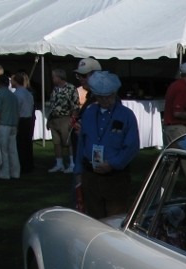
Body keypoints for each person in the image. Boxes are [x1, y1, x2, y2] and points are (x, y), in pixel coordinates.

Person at [78, 70, 140, 219]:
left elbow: (132, 146)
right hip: (91, 175)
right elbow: (82, 142)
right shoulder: (89, 112)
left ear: (115, 93)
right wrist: (79, 170)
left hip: (115, 177)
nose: (106, 100)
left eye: (109, 96)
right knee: (93, 219)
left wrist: (112, 163)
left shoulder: (126, 115)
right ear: (95, 96)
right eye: (101, 97)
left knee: (115, 219)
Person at [71, 57, 102, 211]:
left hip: (94, 165)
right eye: (80, 76)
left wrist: (84, 130)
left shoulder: (103, 100)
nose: (81, 79)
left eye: (85, 75)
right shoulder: (90, 98)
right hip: (83, 160)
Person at [45, 68, 79, 173]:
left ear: (59, 77)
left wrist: (73, 120)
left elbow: (75, 105)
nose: (53, 79)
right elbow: (52, 105)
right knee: (56, 143)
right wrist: (49, 120)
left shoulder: (71, 88)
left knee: (68, 142)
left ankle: (72, 163)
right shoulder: (55, 89)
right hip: (54, 118)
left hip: (66, 118)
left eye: (54, 77)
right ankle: (59, 164)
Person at [0, 74, 20, 180]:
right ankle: (15, 172)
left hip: (3, 125)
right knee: (13, 150)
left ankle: (4, 173)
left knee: (3, 150)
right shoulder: (13, 96)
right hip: (13, 125)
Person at [12, 72, 35, 173]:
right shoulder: (28, 93)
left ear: (16, 82)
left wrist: (15, 125)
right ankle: (29, 164)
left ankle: (22, 165)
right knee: (27, 143)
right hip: (29, 119)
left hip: (21, 120)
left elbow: (16, 111)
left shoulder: (16, 94)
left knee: (20, 144)